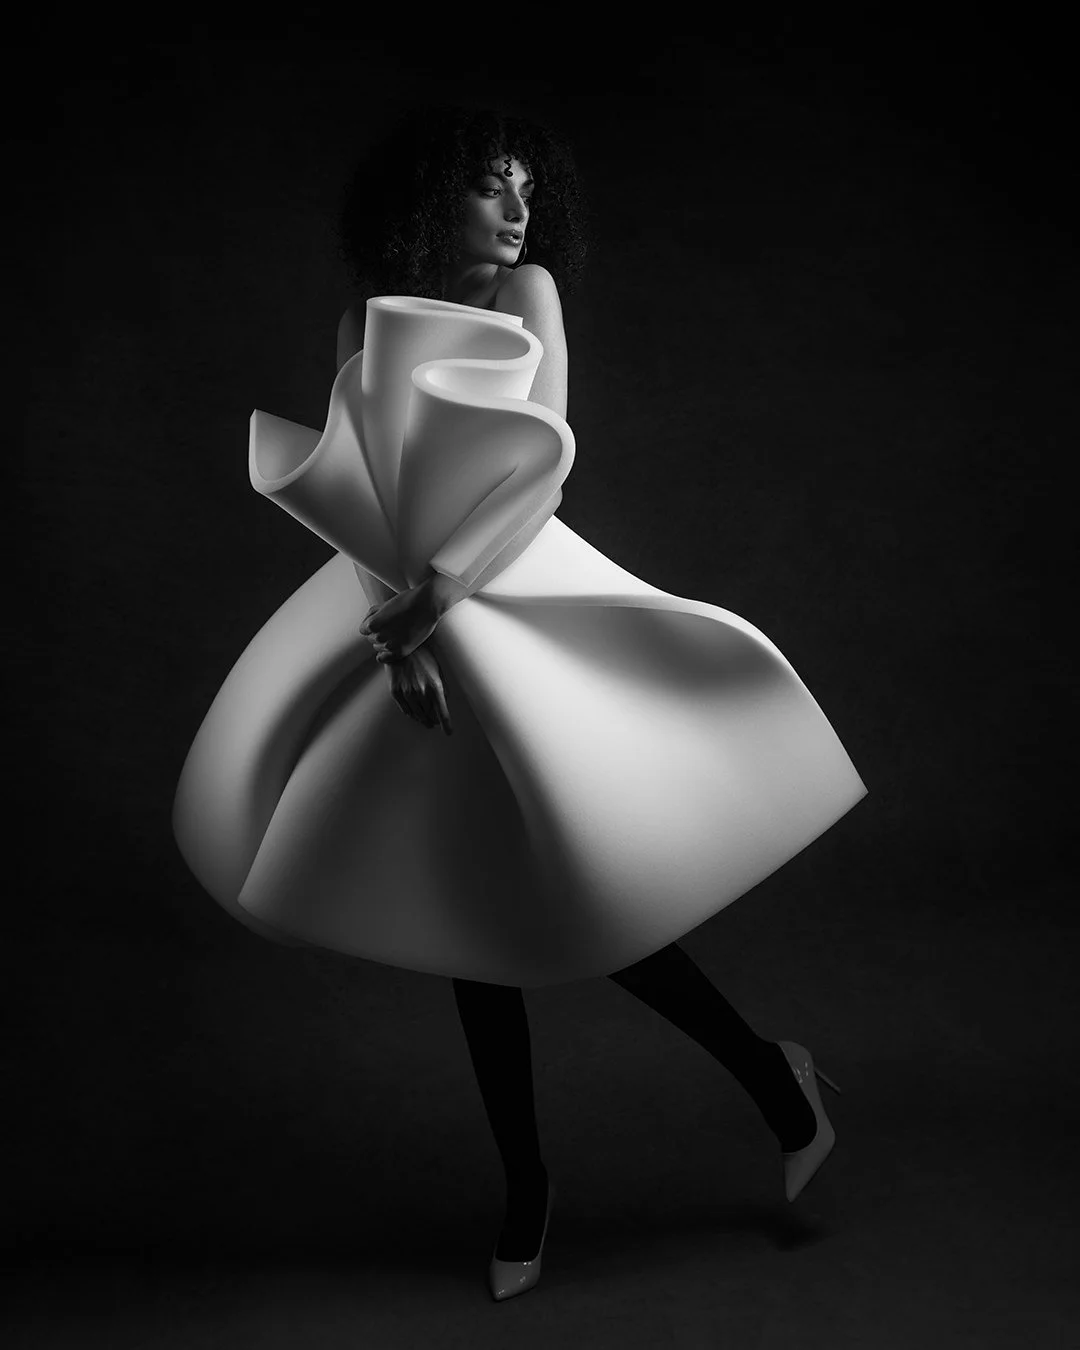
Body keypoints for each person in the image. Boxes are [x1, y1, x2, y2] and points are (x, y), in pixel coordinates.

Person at [174, 106, 864, 1303]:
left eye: (529, 192)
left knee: (580, 877)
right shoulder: (363, 320)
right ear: (434, 197)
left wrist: (441, 592)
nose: (519, 211)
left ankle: (770, 1079)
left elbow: (546, 462)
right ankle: (530, 1179)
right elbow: (360, 489)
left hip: (508, 590)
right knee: (466, 900)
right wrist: (395, 630)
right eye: (494, 191)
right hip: (406, 616)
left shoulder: (530, 292)